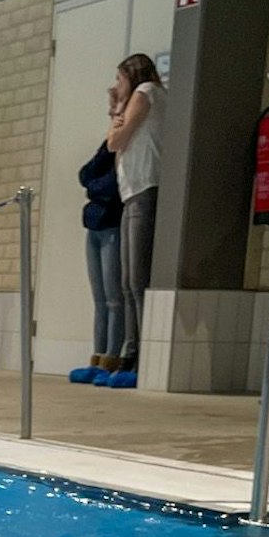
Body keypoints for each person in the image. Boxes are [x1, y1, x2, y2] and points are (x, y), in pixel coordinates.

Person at [102, 55, 165, 390]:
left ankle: (138, 353)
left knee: (137, 280)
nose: (117, 85)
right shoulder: (139, 94)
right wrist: (116, 110)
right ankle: (130, 350)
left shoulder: (146, 91)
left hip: (145, 188)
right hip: (132, 192)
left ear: (131, 75)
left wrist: (118, 106)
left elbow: (116, 140)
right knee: (127, 282)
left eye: (118, 78)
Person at [70, 138, 124, 384]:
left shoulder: (127, 149)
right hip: (94, 226)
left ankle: (113, 357)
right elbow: (85, 174)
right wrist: (105, 151)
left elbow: (110, 188)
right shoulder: (108, 147)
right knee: (99, 300)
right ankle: (98, 355)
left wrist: (93, 187)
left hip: (113, 224)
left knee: (114, 299)